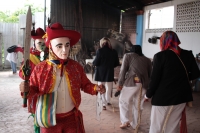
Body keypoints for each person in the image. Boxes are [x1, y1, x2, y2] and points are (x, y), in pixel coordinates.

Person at [19, 22, 106, 133]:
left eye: (67, 45)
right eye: (59, 46)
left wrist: (95, 88)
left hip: (71, 118)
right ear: (50, 46)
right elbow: (33, 90)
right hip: (49, 120)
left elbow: (85, 84)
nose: (64, 50)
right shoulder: (40, 69)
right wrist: (26, 89)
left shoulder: (75, 67)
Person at [145, 31, 200, 133]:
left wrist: (147, 95)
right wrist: (182, 78)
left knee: (156, 127)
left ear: (164, 41)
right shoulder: (188, 54)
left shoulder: (160, 56)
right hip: (181, 97)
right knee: (172, 127)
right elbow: (196, 74)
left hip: (162, 98)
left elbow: (154, 79)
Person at [19, 27, 48, 133]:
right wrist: (25, 73)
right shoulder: (29, 57)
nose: (42, 45)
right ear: (34, 42)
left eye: (44, 42)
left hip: (49, 90)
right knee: (37, 115)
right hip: (35, 90)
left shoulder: (51, 55)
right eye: (39, 42)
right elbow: (21, 74)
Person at [116, 45, 152, 129]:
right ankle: (136, 124)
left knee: (123, 101)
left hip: (132, 81)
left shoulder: (127, 56)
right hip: (144, 84)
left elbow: (123, 70)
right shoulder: (147, 60)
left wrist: (120, 83)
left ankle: (125, 121)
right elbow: (150, 74)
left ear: (131, 50)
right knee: (138, 104)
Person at [93, 37, 119, 110]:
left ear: (102, 43)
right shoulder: (114, 51)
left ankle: (103, 104)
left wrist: (95, 63)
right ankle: (107, 101)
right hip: (109, 72)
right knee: (109, 88)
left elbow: (96, 62)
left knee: (101, 88)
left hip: (100, 73)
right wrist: (110, 66)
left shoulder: (99, 51)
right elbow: (116, 63)